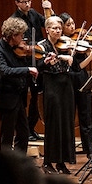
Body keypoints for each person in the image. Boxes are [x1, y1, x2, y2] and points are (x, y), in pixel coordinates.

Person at [33, 15, 77, 173]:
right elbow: (37, 65)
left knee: (66, 123)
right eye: (54, 28)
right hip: (51, 86)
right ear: (47, 30)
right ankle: (48, 162)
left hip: (66, 85)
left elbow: (74, 65)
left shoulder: (65, 44)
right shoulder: (42, 46)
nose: (57, 31)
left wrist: (70, 55)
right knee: (53, 124)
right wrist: (53, 60)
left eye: (59, 28)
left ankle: (62, 161)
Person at [62, 13, 92, 162]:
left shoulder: (80, 42)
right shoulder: (63, 45)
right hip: (69, 81)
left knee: (86, 117)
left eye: (73, 23)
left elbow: (91, 59)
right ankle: (68, 154)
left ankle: (90, 153)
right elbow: (78, 66)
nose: (73, 27)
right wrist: (91, 54)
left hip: (82, 80)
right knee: (69, 118)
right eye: (68, 25)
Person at [0, 15, 37, 154]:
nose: (23, 38)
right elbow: (5, 71)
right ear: (13, 35)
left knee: (23, 133)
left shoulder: (16, 47)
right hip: (7, 98)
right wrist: (27, 69)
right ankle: (5, 166)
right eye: (21, 35)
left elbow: (25, 64)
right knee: (7, 136)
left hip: (18, 97)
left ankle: (19, 163)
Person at [11, 0, 47, 140]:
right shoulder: (14, 20)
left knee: (36, 96)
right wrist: (33, 48)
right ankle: (22, 132)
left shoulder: (33, 13)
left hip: (38, 61)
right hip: (23, 62)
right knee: (23, 100)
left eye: (29, 1)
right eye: (24, 2)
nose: (27, 4)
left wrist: (48, 8)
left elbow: (48, 23)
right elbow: (17, 44)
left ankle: (31, 128)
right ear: (17, 3)